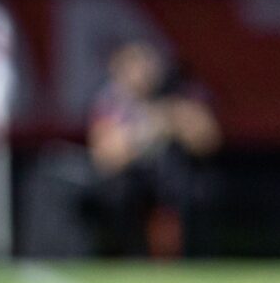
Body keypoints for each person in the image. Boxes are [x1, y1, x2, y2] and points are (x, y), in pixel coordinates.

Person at [85, 41, 220, 258]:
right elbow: (105, 156)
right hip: (130, 180)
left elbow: (208, 140)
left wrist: (179, 118)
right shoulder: (111, 100)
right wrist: (148, 128)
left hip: (168, 178)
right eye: (135, 66)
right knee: (118, 192)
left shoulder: (176, 93)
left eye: (147, 65)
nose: (143, 73)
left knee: (189, 185)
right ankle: (125, 256)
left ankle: (185, 256)